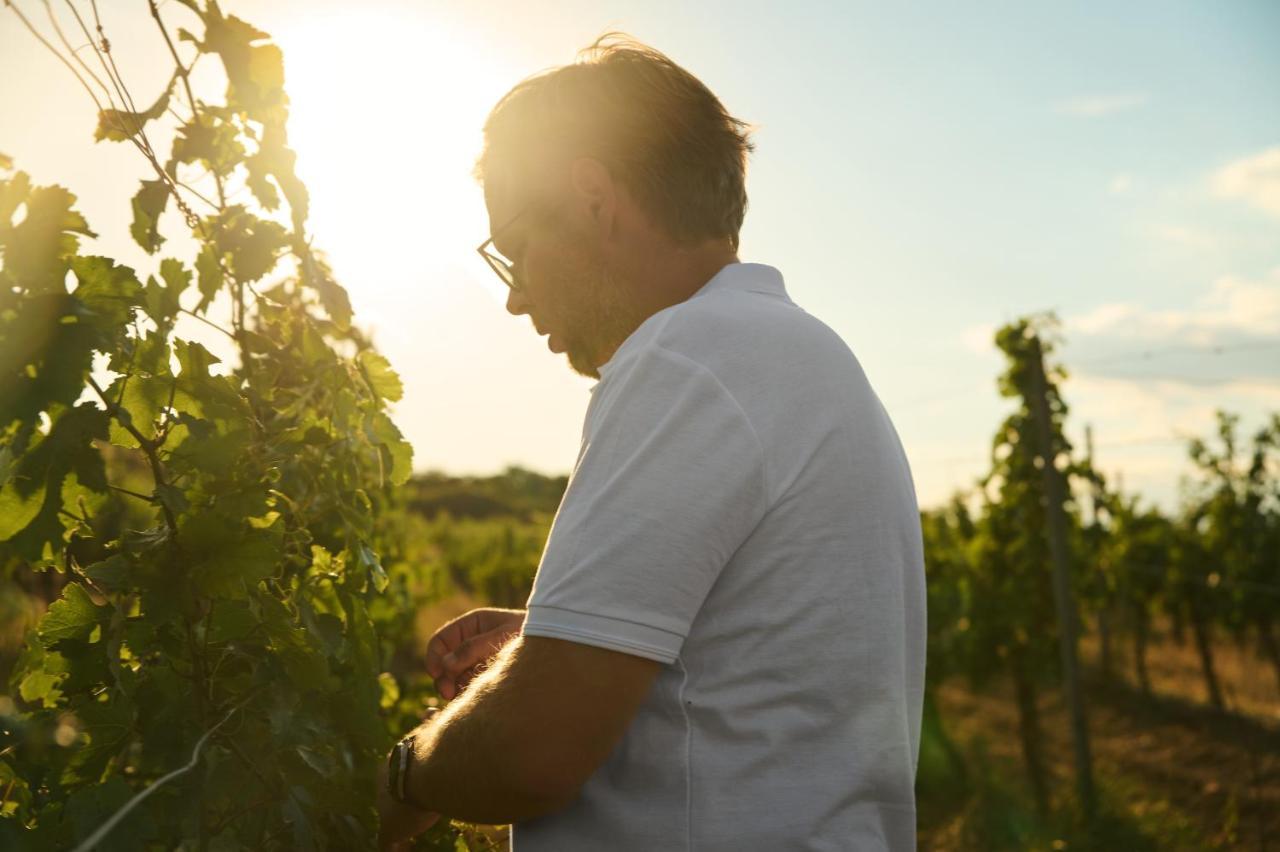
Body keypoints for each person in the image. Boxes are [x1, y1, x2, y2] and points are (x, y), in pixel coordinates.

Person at [377, 32, 926, 852]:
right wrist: (557, 636)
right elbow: (756, 663)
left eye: (515, 250)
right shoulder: (792, 354)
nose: (516, 300)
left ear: (595, 198)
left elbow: (534, 752)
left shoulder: (690, 359)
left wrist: (402, 779)